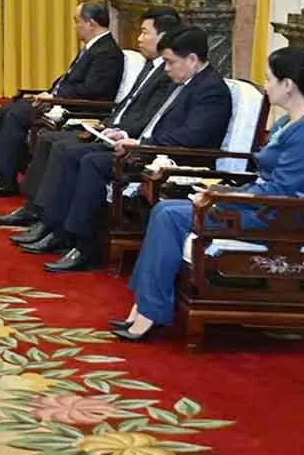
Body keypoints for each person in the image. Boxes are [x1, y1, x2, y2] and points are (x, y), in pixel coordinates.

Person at [112, 44, 304, 340]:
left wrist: (221, 198)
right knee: (166, 210)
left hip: (282, 216)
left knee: (169, 215)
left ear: (288, 85)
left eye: (269, 79)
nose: (265, 85)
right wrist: (220, 192)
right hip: (264, 205)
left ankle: (149, 312)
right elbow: (268, 182)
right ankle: (144, 308)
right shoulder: (289, 122)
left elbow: (280, 190)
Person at [24, 25, 232, 272]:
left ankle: (85, 246)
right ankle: (57, 227)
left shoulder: (211, 91)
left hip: (174, 161)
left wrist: (142, 144)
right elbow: (151, 119)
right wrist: (126, 135)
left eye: (170, 62)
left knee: (91, 161)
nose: (166, 69)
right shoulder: (185, 80)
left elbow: (190, 137)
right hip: (148, 149)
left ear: (192, 59)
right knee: (76, 152)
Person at [0, 7, 180, 229]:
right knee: (48, 138)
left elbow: (145, 114)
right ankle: (35, 209)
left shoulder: (166, 74)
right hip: (112, 128)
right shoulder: (151, 66)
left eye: (144, 32)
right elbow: (127, 105)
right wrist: (108, 125)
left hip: (128, 140)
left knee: (67, 149)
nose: (138, 39)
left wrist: (120, 131)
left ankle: (56, 225)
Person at [0, 0, 125, 197]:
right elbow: (71, 79)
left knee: (16, 115)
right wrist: (50, 93)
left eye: (77, 21)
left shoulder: (107, 52)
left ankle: (6, 181)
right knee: (7, 109)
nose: (75, 27)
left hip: (77, 108)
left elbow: (94, 90)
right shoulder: (92, 47)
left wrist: (55, 97)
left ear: (91, 23)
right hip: (59, 101)